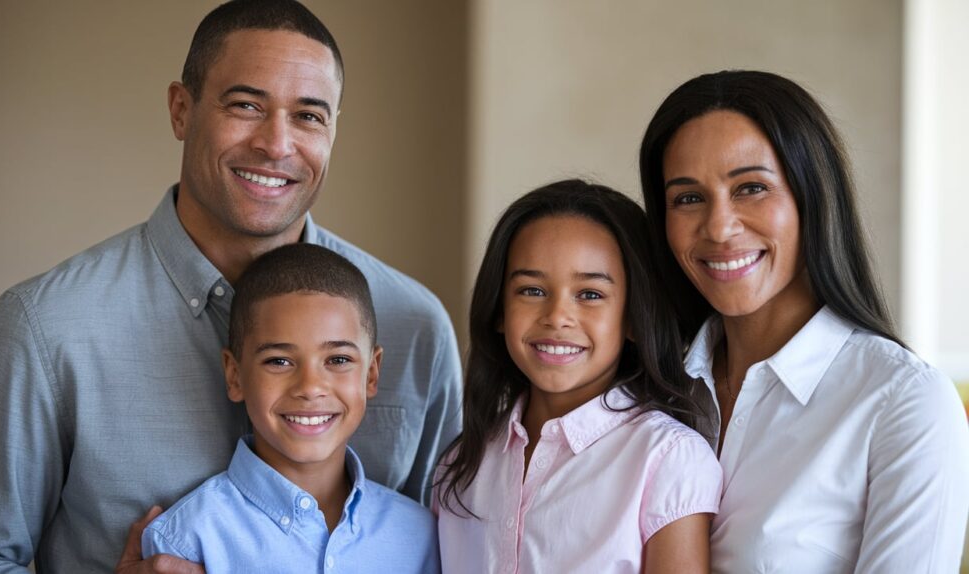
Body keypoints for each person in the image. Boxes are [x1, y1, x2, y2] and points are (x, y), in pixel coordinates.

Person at [0, 1, 461, 572]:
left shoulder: (416, 327)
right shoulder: (44, 328)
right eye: (246, 105)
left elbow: (456, 546)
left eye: (309, 116)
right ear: (181, 111)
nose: (276, 144)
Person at [639, 70, 969, 572]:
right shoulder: (644, 391)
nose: (719, 226)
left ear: (812, 197)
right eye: (687, 198)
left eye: (750, 187)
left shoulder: (904, 402)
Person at [434, 179, 722, 573]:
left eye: (590, 294)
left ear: (635, 319)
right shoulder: (460, 465)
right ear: (499, 310)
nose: (556, 317)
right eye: (532, 290)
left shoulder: (667, 458)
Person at [141, 243, 440, 573]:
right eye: (279, 361)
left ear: (371, 373)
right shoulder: (184, 541)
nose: (310, 387)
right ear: (235, 374)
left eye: (338, 360)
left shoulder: (423, 536)